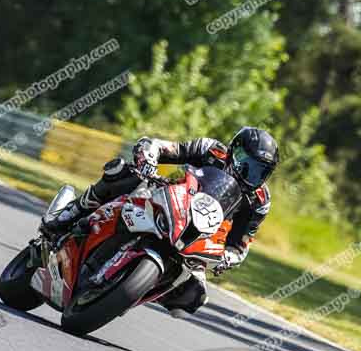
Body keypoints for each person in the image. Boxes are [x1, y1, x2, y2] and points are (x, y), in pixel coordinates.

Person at [43, 126, 279, 315]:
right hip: (167, 197)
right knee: (122, 173)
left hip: (199, 236)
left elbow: (241, 245)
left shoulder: (259, 200)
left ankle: (126, 293)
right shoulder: (210, 150)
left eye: (260, 171)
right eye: (246, 163)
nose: (250, 174)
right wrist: (148, 160)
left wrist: (227, 258)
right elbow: (159, 146)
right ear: (233, 150)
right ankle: (68, 215)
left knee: (194, 296)